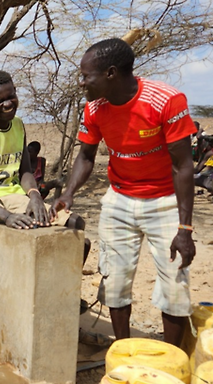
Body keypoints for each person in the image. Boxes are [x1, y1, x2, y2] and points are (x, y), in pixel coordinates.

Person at [51, 38, 196, 346]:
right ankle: (123, 351)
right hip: (119, 199)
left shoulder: (166, 101)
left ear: (111, 73)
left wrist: (184, 228)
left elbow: (184, 166)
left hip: (165, 202)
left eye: (86, 75)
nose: (81, 82)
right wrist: (69, 192)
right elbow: (86, 156)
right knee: (115, 280)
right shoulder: (94, 107)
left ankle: (170, 359)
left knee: (174, 285)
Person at [0, 71, 82, 230]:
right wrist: (7, 216)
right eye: (0, 101)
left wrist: (35, 195)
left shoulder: (17, 125)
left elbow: (25, 171)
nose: (8, 104)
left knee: (77, 224)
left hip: (17, 197)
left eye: (11, 97)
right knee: (58, 224)